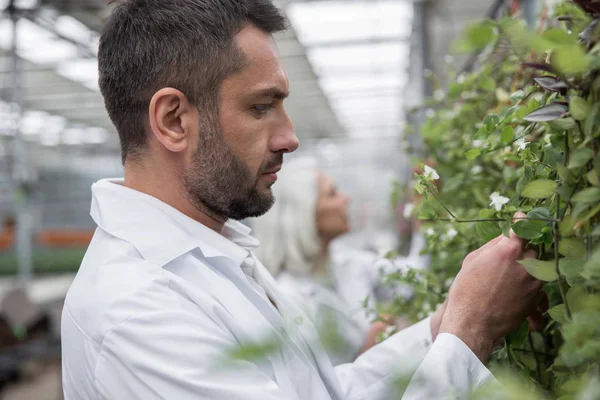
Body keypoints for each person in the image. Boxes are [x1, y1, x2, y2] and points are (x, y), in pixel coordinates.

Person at [61, 1, 546, 399]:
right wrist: (468, 337)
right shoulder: (137, 312)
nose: (290, 137)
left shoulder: (214, 254)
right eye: (260, 107)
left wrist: (442, 326)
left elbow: (324, 392)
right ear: (172, 121)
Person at [251, 157, 392, 365]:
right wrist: (370, 350)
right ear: (305, 214)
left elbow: (412, 280)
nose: (346, 199)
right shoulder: (289, 298)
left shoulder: (345, 263)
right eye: (332, 194)